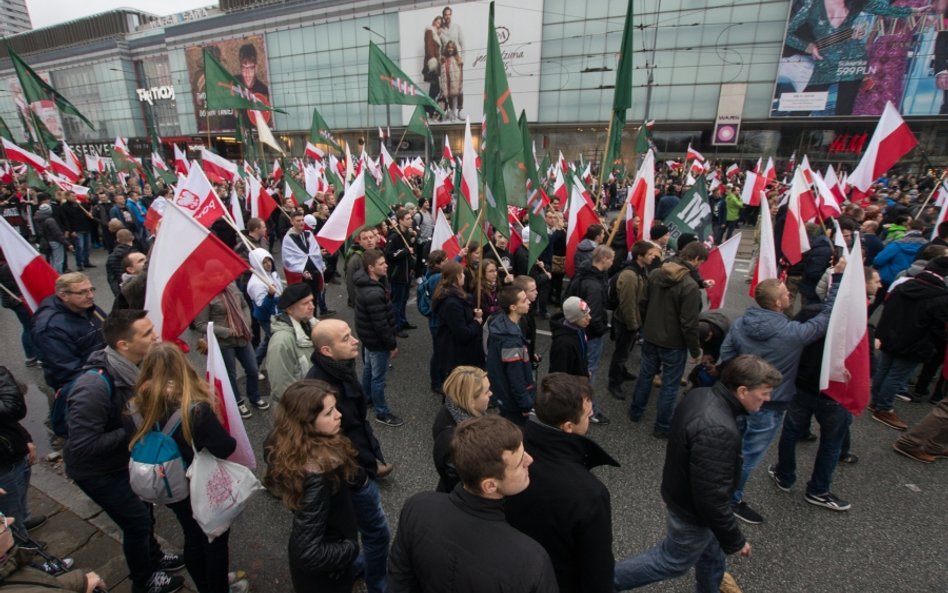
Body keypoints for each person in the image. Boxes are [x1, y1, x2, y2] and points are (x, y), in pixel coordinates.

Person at [614, 355, 781, 593]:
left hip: (684, 497)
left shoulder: (702, 395)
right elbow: (712, 497)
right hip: (693, 513)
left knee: (712, 555)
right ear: (743, 391)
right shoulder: (718, 430)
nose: (768, 399)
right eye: (764, 393)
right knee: (672, 561)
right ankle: (599, 581)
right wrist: (735, 540)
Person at [63, 310, 184, 593]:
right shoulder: (93, 386)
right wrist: (136, 426)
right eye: (147, 333)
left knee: (145, 512)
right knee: (137, 522)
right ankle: (145, 580)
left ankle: (153, 556)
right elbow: (83, 447)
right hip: (100, 472)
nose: (156, 336)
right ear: (123, 345)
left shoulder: (137, 367)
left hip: (125, 462)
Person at [718, 259, 845, 525]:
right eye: (786, 293)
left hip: (738, 399)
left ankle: (720, 491)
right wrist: (839, 281)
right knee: (750, 454)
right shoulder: (792, 333)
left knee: (731, 448)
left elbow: (727, 355)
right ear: (777, 303)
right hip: (770, 404)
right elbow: (827, 316)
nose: (790, 295)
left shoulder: (741, 323)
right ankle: (731, 500)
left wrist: (736, 387)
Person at [388, 415, 557, 593]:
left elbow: (399, 580)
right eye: (519, 461)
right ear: (490, 485)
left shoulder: (417, 507)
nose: (530, 460)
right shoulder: (531, 561)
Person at [130, 343, 247, 593]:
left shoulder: (142, 398)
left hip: (170, 483)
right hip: (197, 485)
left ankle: (204, 585)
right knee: (213, 540)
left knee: (192, 535)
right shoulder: (194, 409)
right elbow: (224, 447)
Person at [506, 373, 619, 593]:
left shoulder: (510, 450)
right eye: (587, 414)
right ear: (568, 426)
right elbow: (597, 572)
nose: (592, 415)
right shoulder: (590, 494)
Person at [307, 319, 392, 593]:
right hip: (353, 475)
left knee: (358, 531)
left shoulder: (340, 368)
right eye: (345, 339)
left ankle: (356, 566)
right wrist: (358, 478)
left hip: (361, 463)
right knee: (377, 533)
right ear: (326, 351)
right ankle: (378, 585)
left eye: (351, 335)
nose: (355, 340)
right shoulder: (318, 388)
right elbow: (327, 440)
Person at [262, 380, 360, 593]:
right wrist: (349, 549)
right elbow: (307, 552)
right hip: (326, 578)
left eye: (335, 407)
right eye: (329, 413)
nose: (339, 415)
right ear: (306, 423)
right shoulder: (317, 474)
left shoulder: (285, 443)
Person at [628, 242, 709, 438]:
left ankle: (635, 411)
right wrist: (695, 350)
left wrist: (646, 327)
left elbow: (643, 303)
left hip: (651, 336)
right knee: (670, 386)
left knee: (645, 375)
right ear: (696, 259)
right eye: (701, 262)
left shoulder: (656, 273)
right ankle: (662, 425)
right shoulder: (689, 286)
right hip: (674, 343)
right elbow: (689, 323)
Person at [870, 257, 948, 430]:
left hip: (890, 336)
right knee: (896, 376)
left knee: (884, 369)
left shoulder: (902, 285)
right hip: (916, 343)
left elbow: (887, 309)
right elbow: (939, 328)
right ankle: (883, 408)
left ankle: (876, 401)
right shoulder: (941, 297)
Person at [194, 282, 265, 418]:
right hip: (224, 342)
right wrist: (228, 331)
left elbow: (244, 306)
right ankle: (238, 402)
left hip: (243, 337)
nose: (221, 278)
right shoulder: (204, 296)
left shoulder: (232, 286)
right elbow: (200, 324)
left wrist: (246, 323)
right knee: (230, 375)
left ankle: (255, 397)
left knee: (252, 368)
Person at [353, 249, 404, 427]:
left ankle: (366, 398)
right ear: (371, 268)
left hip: (369, 338)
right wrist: (392, 345)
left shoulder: (365, 284)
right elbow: (381, 325)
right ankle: (382, 412)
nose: (386, 265)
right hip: (377, 341)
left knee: (369, 368)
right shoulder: (373, 293)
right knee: (378, 377)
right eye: (381, 264)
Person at [31, 273, 106, 391]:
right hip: (84, 387)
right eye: (82, 292)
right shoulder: (50, 327)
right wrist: (102, 384)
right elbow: (67, 370)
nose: (91, 295)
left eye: (91, 289)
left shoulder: (88, 308)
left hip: (102, 373)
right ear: (64, 296)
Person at [0, 511, 107, 593]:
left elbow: (36, 583)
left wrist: (80, 581)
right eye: (0, 522)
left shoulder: (7, 567)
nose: (10, 520)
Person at [608, 241, 662, 399]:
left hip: (634, 321)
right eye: (650, 254)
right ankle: (614, 382)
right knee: (620, 353)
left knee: (625, 352)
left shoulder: (642, 270)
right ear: (640, 256)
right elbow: (628, 304)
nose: (654, 257)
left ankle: (622, 372)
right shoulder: (630, 275)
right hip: (625, 322)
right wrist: (634, 326)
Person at [0, 366, 45, 543]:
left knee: (19, 498)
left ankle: (24, 522)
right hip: (3, 467)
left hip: (13, 450)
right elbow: (12, 407)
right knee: (9, 518)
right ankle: (24, 550)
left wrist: (25, 438)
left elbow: (9, 418)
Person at [431, 366, 491, 493]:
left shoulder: (454, 409)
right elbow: (462, 482)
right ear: (471, 401)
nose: (491, 394)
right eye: (486, 392)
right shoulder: (454, 440)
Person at [565, 245, 614, 388]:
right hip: (591, 334)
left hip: (578, 328)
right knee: (589, 370)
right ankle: (587, 404)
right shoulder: (594, 287)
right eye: (611, 259)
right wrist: (601, 330)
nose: (612, 263)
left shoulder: (583, 273)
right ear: (604, 259)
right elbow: (594, 316)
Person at [485, 286, 535, 426]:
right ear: (513, 307)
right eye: (524, 300)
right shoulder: (510, 340)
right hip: (513, 400)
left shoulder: (500, 323)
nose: (528, 302)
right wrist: (525, 403)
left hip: (502, 394)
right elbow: (516, 377)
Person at [431, 261, 484, 384]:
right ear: (457, 277)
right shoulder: (452, 303)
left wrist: (472, 314)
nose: (464, 276)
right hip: (456, 353)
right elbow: (462, 333)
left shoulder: (456, 296)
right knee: (455, 388)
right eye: (462, 274)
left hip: (458, 351)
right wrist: (477, 321)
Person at [265, 283, 316, 402]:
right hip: (301, 408)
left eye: (312, 301)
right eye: (305, 303)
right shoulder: (281, 342)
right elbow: (282, 388)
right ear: (289, 309)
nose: (312, 306)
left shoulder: (311, 324)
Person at [282, 211, 333, 317]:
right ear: (292, 222)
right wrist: (301, 271)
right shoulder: (288, 239)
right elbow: (289, 260)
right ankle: (306, 322)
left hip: (314, 274)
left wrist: (319, 254)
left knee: (313, 299)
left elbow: (312, 252)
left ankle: (313, 319)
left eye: (302, 220)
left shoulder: (308, 234)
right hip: (302, 278)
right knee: (303, 302)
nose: (301, 223)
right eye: (298, 221)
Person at [246, 247, 282, 366]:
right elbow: (263, 307)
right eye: (264, 262)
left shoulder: (272, 274)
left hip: (277, 314)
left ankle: (254, 365)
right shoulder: (255, 284)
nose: (268, 264)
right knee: (278, 342)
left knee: (267, 341)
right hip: (267, 318)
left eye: (269, 260)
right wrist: (270, 295)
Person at [0, 259, 40, 366]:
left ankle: (31, 356)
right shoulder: (6, 267)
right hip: (19, 301)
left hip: (13, 300)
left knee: (27, 328)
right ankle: (37, 356)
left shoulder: (5, 266)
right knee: (30, 328)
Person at [385, 209, 417, 335]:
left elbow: (410, 252)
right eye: (408, 219)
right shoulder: (394, 236)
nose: (411, 221)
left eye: (411, 218)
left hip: (407, 273)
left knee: (404, 299)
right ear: (400, 221)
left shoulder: (407, 234)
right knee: (397, 301)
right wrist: (405, 251)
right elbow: (388, 254)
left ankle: (403, 321)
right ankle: (396, 327)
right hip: (397, 274)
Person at [549, 296, 591, 377]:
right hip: (572, 386)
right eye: (584, 316)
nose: (589, 317)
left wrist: (585, 372)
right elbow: (557, 377)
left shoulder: (580, 328)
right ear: (573, 319)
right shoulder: (562, 345)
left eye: (588, 313)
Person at [35, 201, 71, 273]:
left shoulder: (37, 219)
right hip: (55, 241)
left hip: (46, 240)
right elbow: (57, 233)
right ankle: (57, 276)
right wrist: (67, 243)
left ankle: (52, 274)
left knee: (52, 259)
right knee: (58, 260)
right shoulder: (50, 220)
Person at [345, 228, 377, 308]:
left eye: (371, 237)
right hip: (365, 304)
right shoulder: (355, 260)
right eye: (365, 238)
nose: (369, 240)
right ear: (360, 242)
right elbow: (350, 284)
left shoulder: (378, 254)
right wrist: (357, 305)